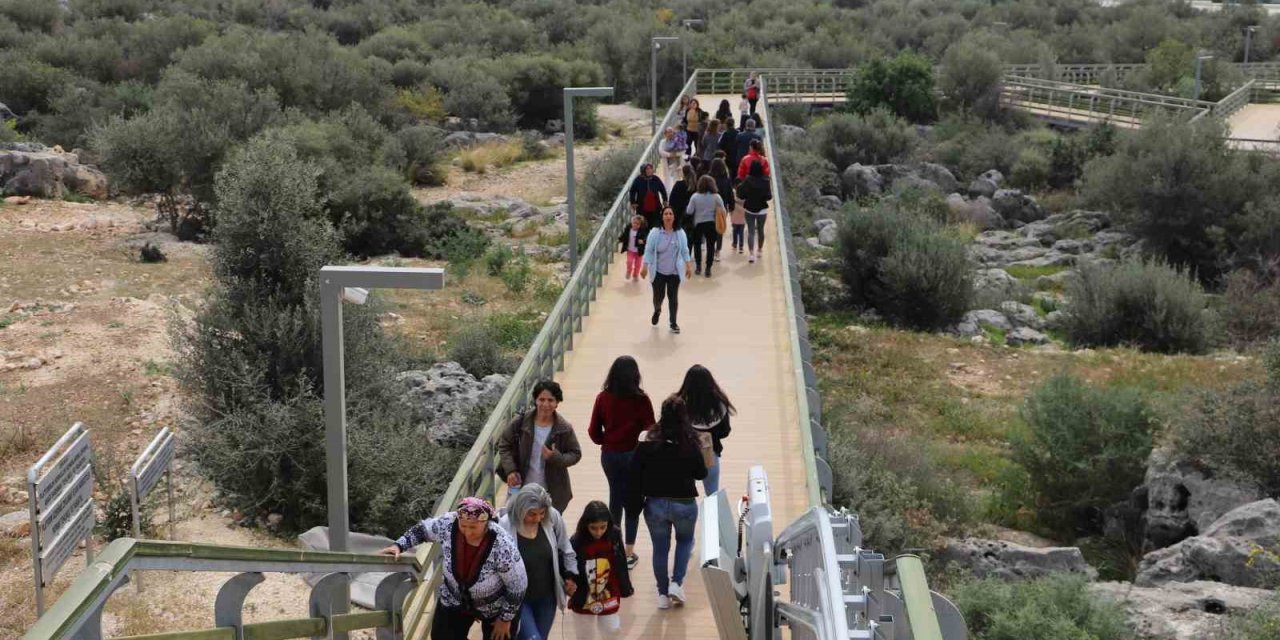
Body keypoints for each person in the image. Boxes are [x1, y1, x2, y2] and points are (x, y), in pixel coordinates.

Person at [380, 498, 525, 640]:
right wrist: (399, 545)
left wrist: (505, 619)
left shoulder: (502, 543)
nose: (468, 532)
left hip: (497, 605)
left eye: (473, 527)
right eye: (464, 526)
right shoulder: (448, 523)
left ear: (486, 523)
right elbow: (422, 530)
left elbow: (518, 585)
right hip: (453, 597)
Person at [634, 395, 707, 609]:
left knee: (660, 548)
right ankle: (676, 582)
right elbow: (701, 473)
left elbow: (636, 469)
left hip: (655, 503)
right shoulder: (690, 442)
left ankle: (662, 595)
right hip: (684, 502)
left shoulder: (648, 440)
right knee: (684, 542)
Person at [587, 355, 655, 567]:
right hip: (633, 455)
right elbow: (650, 429)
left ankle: (613, 547)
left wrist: (605, 441)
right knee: (632, 502)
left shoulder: (603, 398)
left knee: (615, 498)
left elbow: (593, 430)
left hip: (609, 455)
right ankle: (628, 552)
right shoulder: (641, 399)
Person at [498, 485, 578, 640]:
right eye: (531, 514)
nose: (537, 519)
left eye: (541, 513)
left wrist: (571, 576)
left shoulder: (553, 517)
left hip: (547, 598)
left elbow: (566, 550)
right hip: (518, 600)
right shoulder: (504, 526)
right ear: (520, 510)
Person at [497, 381, 582, 513]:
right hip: (521, 486)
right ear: (535, 400)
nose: (545, 404)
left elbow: (575, 454)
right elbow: (504, 444)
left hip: (552, 491)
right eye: (541, 399)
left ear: (557, 402)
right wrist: (511, 470)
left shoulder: (564, 428)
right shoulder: (519, 422)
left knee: (548, 529)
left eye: (550, 400)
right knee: (518, 525)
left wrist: (555, 457)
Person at [569, 501, 634, 633]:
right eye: (593, 528)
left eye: (603, 527)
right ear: (585, 524)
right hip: (583, 594)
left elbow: (621, 563)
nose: (598, 532)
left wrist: (625, 587)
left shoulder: (614, 536)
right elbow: (569, 568)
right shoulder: (576, 541)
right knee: (585, 635)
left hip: (609, 593)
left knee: (612, 631)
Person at [676, 365, 736, 496]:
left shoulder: (678, 403)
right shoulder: (719, 404)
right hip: (710, 453)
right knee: (712, 495)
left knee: (684, 494)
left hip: (684, 453)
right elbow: (725, 431)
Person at [640, 207, 693, 334]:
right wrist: (645, 266)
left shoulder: (680, 233)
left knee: (673, 297)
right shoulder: (655, 232)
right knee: (659, 297)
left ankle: (673, 323)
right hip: (658, 272)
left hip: (674, 272)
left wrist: (688, 265)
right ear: (662, 217)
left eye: (670, 214)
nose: (668, 216)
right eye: (666, 214)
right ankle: (657, 310)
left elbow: (685, 250)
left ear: (674, 217)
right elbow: (649, 250)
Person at [687, 175, 725, 278]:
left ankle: (698, 266)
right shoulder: (716, 196)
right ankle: (708, 268)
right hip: (712, 223)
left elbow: (689, 211)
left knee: (697, 245)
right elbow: (723, 210)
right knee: (711, 246)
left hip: (698, 224)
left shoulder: (695, 196)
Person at [735, 159, 772, 264]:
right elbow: (769, 197)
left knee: (751, 232)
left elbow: (741, 194)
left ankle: (751, 254)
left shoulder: (747, 180)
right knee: (761, 230)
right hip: (762, 210)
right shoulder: (766, 180)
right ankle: (760, 250)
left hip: (749, 209)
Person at [629, 163, 668, 231]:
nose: (649, 170)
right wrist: (633, 202)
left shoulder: (656, 179)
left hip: (655, 208)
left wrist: (665, 200)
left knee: (656, 226)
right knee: (643, 226)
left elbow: (663, 189)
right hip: (642, 208)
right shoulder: (638, 180)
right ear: (643, 170)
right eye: (647, 169)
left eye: (650, 168)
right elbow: (632, 191)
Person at [709, 158, 734, 258]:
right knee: (720, 228)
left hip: (710, 207)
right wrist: (731, 206)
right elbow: (730, 194)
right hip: (722, 208)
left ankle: (710, 247)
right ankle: (717, 251)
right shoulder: (726, 180)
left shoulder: (709, 178)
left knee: (710, 228)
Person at [667, 164, 695, 233]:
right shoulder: (696, 185)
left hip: (679, 214)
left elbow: (671, 200)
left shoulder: (678, 184)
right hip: (693, 215)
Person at [618, 215, 646, 281]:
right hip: (630, 250)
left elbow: (646, 238)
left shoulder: (642, 231)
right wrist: (619, 240)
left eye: (638, 224)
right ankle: (628, 271)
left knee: (638, 265)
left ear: (640, 225)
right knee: (629, 262)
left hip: (639, 252)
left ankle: (635, 275)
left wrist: (643, 241)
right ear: (632, 222)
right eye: (634, 223)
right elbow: (624, 235)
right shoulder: (628, 229)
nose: (635, 225)